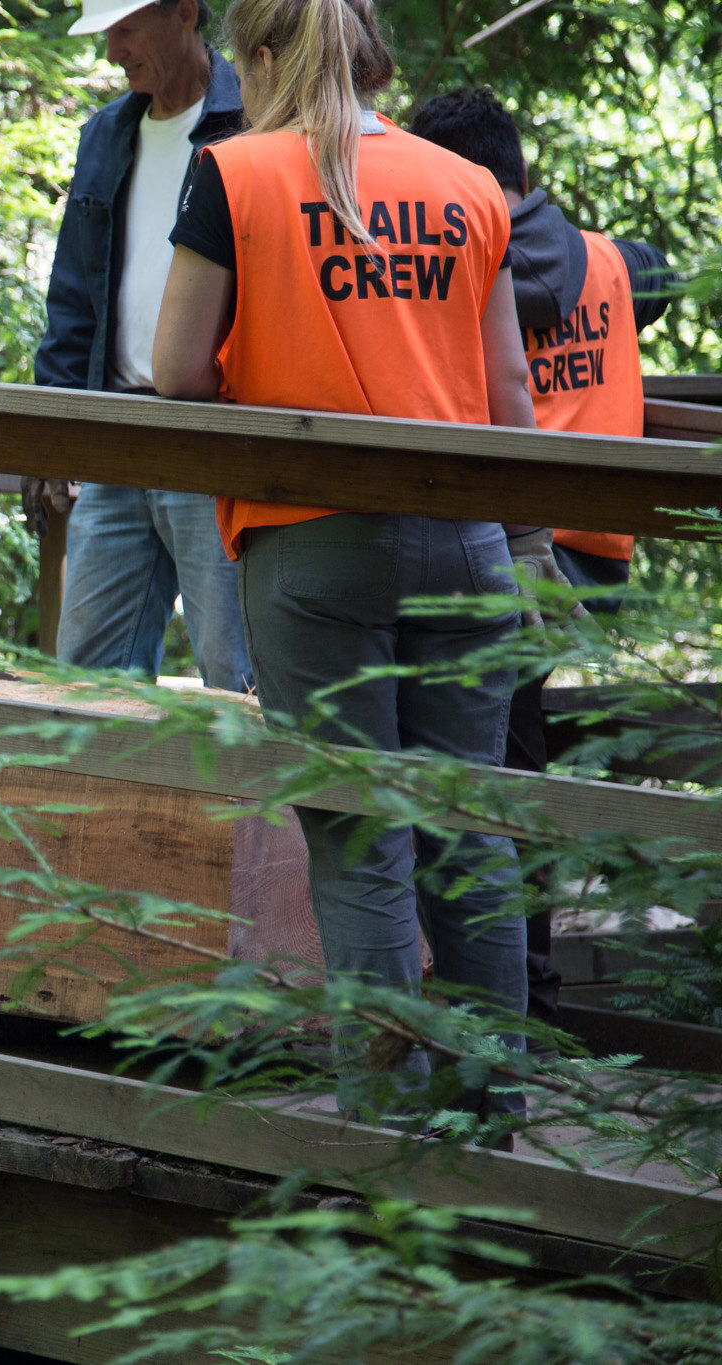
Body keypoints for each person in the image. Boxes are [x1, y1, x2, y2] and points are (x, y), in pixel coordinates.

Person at [151, 0, 535, 1121]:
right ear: (369, 60)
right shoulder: (466, 186)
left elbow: (174, 370)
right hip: (466, 546)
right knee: (467, 833)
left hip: (310, 540)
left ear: (259, 57)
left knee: (360, 844)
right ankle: (491, 1113)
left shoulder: (236, 175)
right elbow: (509, 399)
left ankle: (392, 1135)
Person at [409, 85, 674, 1023]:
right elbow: (661, 271)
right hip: (599, 552)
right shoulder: (607, 262)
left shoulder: (456, 270)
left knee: (494, 783)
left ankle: (525, 999)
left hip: (518, 560)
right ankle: (520, 989)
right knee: (510, 765)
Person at [32, 0, 252, 693]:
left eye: (125, 29)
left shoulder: (253, 121)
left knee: (235, 675)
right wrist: (51, 437)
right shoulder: (104, 135)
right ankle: (101, 807)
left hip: (217, 436)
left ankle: (256, 809)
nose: (112, 52)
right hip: (115, 435)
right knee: (88, 681)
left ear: (184, 12)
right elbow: (71, 299)